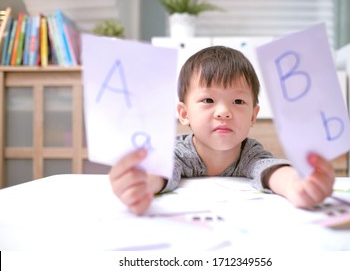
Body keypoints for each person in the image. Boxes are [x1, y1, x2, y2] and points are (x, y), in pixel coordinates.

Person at [109, 46, 335, 215]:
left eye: (238, 101)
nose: (224, 112)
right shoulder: (177, 152)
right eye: (208, 99)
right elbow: (161, 170)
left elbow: (272, 170)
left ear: (253, 116)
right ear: (184, 113)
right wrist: (139, 184)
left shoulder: (251, 154)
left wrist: (297, 185)